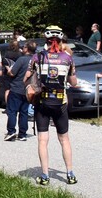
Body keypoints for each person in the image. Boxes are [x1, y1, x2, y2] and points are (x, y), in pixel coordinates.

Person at [25, 26, 79, 186]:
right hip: (60, 103)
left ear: (46, 41)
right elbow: (74, 82)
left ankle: (45, 176)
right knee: (64, 139)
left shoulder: (37, 57)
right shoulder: (68, 58)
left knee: (43, 140)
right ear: (61, 40)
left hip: (43, 102)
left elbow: (26, 78)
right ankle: (70, 174)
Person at [4, 39, 35, 141]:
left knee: (12, 111)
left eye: (24, 47)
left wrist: (8, 70)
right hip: (29, 89)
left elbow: (12, 73)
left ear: (27, 49)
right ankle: (23, 134)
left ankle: (11, 131)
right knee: (24, 112)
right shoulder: (36, 60)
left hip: (17, 87)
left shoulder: (22, 60)